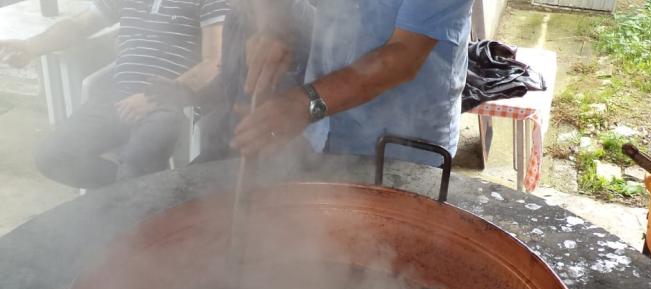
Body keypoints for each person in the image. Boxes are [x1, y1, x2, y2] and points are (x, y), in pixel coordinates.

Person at [0, 0, 230, 189]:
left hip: (165, 103)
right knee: (50, 155)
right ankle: (146, 191)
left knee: (137, 164)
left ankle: (136, 194)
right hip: (114, 98)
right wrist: (31, 46)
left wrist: (155, 98)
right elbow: (78, 26)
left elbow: (213, 62)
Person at [231, 0, 473, 166]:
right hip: (321, 131)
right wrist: (274, 29)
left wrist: (305, 104)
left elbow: (404, 56)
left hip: (403, 148)